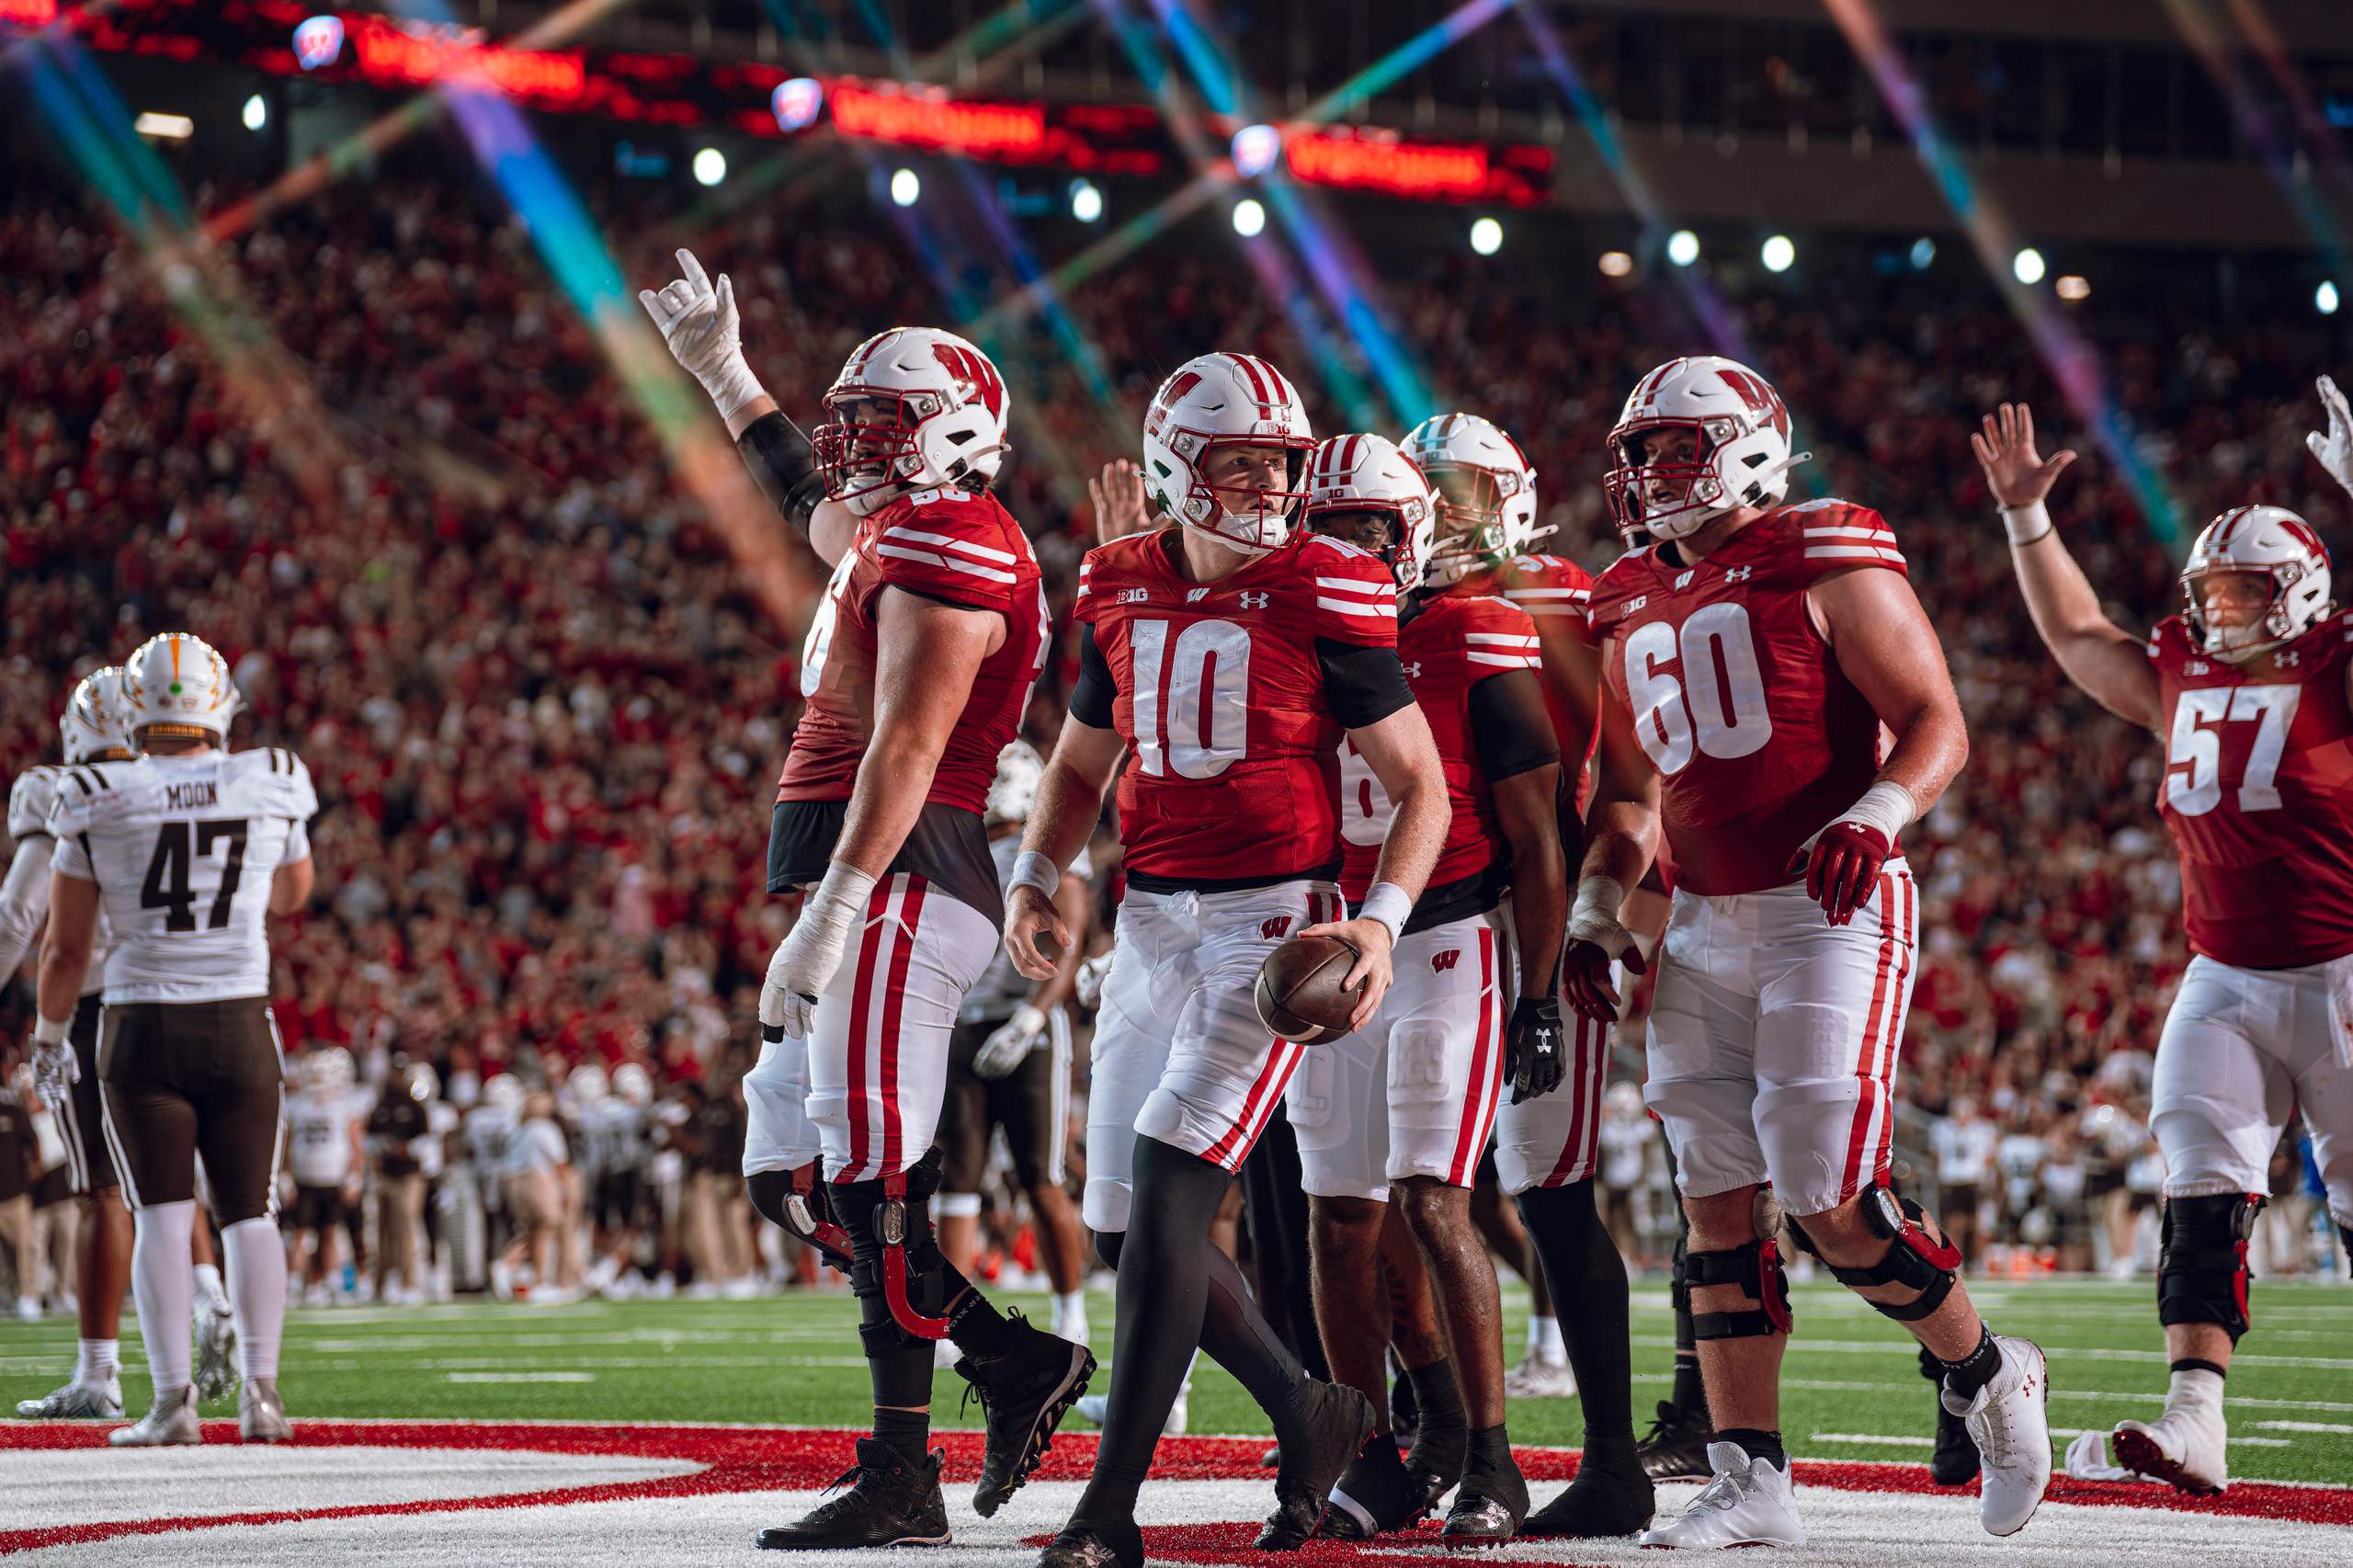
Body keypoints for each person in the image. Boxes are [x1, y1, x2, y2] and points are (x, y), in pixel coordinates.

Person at [643, 251, 1094, 1549]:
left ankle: (943, 1434)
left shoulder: (958, 538)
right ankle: (991, 1380)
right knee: (797, 1176)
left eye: (883, 422)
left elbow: (906, 745)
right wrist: (727, 379)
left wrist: (837, 907)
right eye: (854, 421)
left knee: (879, 1186)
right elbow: (806, 503)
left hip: (900, 876)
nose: (854, 444)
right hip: (869, 877)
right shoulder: (903, 527)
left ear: (954, 432)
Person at [1563, 358, 2047, 1549]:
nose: (1652, 474)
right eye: (1642, 453)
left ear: (1746, 448)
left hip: (1826, 909)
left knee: (1830, 1196)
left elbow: (1938, 718)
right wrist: (1592, 911)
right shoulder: (1623, 593)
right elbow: (1628, 796)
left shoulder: (1826, 543)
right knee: (1713, 1206)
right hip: (1698, 923)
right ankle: (1750, 1474)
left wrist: (1877, 813)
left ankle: (1988, 1367)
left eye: (1679, 448)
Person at [1004, 353, 1452, 1568]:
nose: (1265, 486)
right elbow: (1081, 766)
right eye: (1238, 461)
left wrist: (1377, 921)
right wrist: (1038, 877)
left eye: (1279, 463)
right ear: (1171, 468)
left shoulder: (1333, 584)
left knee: (1166, 1195)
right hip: (1149, 920)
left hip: (1275, 928)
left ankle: (1106, 1513)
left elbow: (1424, 786)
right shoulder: (1116, 579)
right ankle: (1308, 1407)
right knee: (1120, 1229)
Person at [1982, 392, 2353, 1494]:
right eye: (2214, 590)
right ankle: (2195, 1417)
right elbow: (2078, 637)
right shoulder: (2184, 666)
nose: (2226, 609)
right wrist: (2024, 521)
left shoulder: (2338, 663)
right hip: (2225, 973)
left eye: (2249, 590)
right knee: (2199, 1187)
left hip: (2341, 969)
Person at [1285, 432, 1566, 1543]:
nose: (1348, 548)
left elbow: (1540, 835)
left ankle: (1493, 1458)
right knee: (1337, 1219)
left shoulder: (1475, 628)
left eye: (1369, 528)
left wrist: (1537, 993)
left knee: (1433, 1200)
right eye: (1329, 527)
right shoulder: (1284, 632)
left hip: (1445, 938)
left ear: (1410, 537)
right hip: (1323, 953)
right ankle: (1379, 1450)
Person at [1405, 408, 1653, 1534]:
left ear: (1511, 494)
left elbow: (1624, 785)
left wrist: (1596, 922)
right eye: (1427, 487)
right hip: (1419, 911)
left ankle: (1611, 1457)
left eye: (1464, 488)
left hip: (1528, 908)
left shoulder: (1575, 600)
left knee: (1547, 1184)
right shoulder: (1378, 589)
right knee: (1394, 1192)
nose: (1446, 510)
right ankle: (1432, 1431)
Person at [31, 632, 314, 1446]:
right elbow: (293, 895)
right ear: (218, 701)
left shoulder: (96, 789)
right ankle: (261, 1396)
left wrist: (52, 1037)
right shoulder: (271, 777)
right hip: (240, 1015)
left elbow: (66, 949)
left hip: (141, 1023)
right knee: (249, 1215)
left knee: (160, 1213)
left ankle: (172, 1405)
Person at [938, 742, 1093, 1348]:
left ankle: (1070, 1309)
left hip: (1024, 1027)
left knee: (1041, 1176)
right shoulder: (964, 853)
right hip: (966, 1020)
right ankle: (953, 1320)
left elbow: (1068, 936)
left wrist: (1031, 1019)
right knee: (957, 1178)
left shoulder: (1049, 853)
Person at [285, 1046, 366, 1306]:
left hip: (328, 1177)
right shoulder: (298, 1105)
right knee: (305, 1234)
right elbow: (288, 1143)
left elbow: (355, 1146)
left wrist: (355, 1175)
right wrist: (286, 1174)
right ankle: (297, 1284)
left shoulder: (342, 1105)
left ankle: (325, 1283)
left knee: (326, 1232)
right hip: (310, 1177)